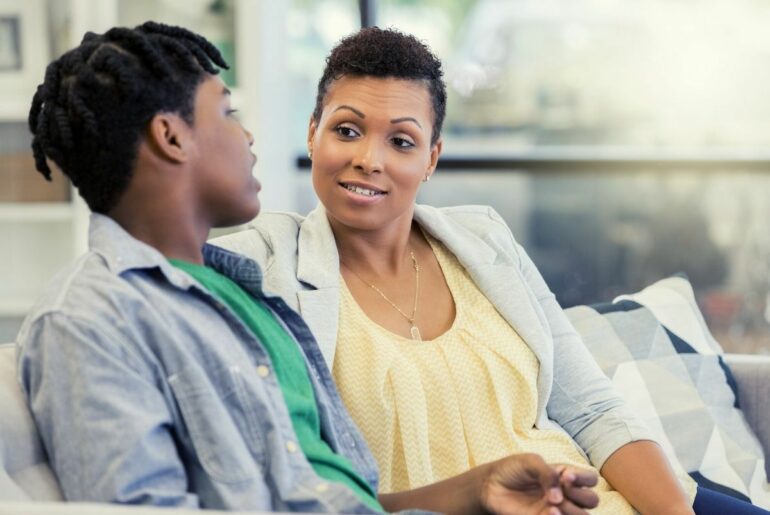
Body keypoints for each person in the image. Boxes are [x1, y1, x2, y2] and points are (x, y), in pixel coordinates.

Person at [17, 21, 600, 514]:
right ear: (171, 137)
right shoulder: (90, 319)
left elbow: (329, 498)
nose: (247, 136)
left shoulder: (239, 293)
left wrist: (474, 490)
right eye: (227, 113)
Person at [214, 27, 770, 515]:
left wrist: (673, 511)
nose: (370, 159)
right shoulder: (267, 263)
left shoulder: (484, 240)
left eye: (402, 141)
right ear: (312, 132)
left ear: (431, 158)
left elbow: (594, 408)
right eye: (347, 130)